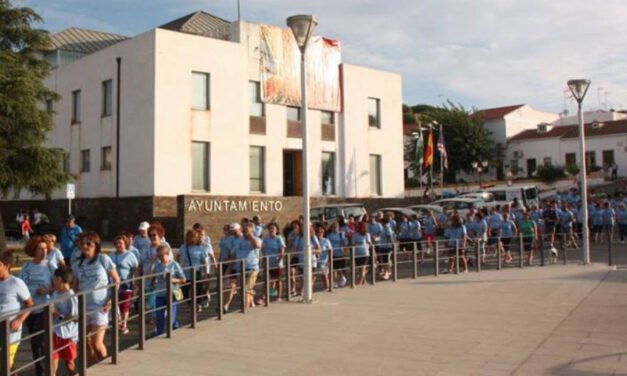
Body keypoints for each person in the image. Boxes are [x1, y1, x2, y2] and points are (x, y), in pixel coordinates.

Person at [72, 232, 120, 362]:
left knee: (96, 344)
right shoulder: (77, 264)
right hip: (83, 307)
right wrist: (73, 306)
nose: (86, 246)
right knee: (85, 344)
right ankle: (93, 369)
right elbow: (75, 286)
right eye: (83, 244)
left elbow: (116, 280)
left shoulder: (103, 259)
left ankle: (107, 368)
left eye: (89, 244)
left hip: (100, 306)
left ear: (96, 245)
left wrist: (111, 300)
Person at [20, 237, 54, 376]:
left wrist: (47, 290)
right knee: (35, 342)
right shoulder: (27, 266)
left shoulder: (50, 266)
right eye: (40, 248)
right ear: (33, 250)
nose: (44, 251)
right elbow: (20, 284)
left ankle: (43, 371)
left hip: (45, 307)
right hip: (29, 309)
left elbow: (60, 285)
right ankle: (39, 369)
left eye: (46, 248)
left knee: (38, 340)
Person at [0, 251, 34, 371]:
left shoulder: (16, 283)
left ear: (6, 266)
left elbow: (30, 304)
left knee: (6, 362)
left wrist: (19, 320)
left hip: (11, 329)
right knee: (6, 363)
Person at [151, 245, 185, 337]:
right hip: (160, 294)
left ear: (167, 254)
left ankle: (175, 326)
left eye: (162, 256)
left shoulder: (174, 264)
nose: (161, 258)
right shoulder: (157, 265)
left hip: (172, 294)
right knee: (159, 317)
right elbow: (151, 278)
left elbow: (183, 279)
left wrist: (173, 280)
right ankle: (160, 334)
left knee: (171, 318)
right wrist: (154, 280)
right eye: (159, 256)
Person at [226, 223, 261, 311]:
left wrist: (250, 236)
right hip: (240, 267)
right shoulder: (238, 241)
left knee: (245, 289)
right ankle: (250, 302)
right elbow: (234, 254)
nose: (245, 232)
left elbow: (257, 245)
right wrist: (229, 268)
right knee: (244, 289)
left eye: (247, 230)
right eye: (244, 230)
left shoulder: (257, 239)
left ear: (252, 230)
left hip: (252, 267)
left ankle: (244, 310)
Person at [51, 266, 78, 376]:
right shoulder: (55, 294)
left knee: (70, 364)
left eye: (54, 278)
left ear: (59, 279)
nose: (53, 281)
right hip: (55, 333)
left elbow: (76, 318)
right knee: (52, 366)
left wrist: (58, 314)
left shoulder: (71, 296)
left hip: (68, 336)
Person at [110, 235, 139, 334]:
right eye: (117, 243)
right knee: (115, 303)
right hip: (114, 283)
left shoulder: (130, 255)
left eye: (121, 243)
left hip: (126, 283)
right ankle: (118, 322)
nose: (119, 245)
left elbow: (136, 269)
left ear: (125, 244)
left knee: (125, 304)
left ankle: (124, 324)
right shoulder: (112, 255)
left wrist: (135, 282)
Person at [178, 230, 209, 312]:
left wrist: (205, 272)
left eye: (195, 237)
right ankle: (190, 302)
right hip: (186, 271)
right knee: (184, 290)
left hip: (197, 271)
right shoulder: (183, 247)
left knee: (198, 289)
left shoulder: (200, 248)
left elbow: (204, 261)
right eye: (192, 237)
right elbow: (178, 256)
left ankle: (198, 304)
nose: (194, 239)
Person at [261, 223, 286, 301]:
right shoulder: (266, 238)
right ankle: (264, 296)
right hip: (268, 262)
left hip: (277, 262)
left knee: (278, 280)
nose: (271, 230)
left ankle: (279, 296)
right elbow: (263, 249)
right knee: (266, 280)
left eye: (273, 228)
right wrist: (264, 258)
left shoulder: (279, 238)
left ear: (276, 230)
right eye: (270, 228)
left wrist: (279, 261)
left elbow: (282, 251)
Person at [351, 221, 373, 286]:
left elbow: (370, 243)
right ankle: (364, 281)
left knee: (363, 267)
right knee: (360, 269)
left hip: (365, 253)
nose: (357, 228)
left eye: (358, 227)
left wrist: (373, 251)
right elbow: (353, 244)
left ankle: (360, 282)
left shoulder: (367, 234)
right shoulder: (355, 235)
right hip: (357, 253)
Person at [327, 221, 348, 288]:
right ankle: (334, 281)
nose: (335, 228)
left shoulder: (341, 234)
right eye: (334, 227)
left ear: (338, 227)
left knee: (341, 268)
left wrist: (344, 243)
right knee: (334, 269)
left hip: (341, 253)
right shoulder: (329, 236)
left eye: (336, 227)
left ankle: (342, 279)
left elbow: (345, 243)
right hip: (333, 254)